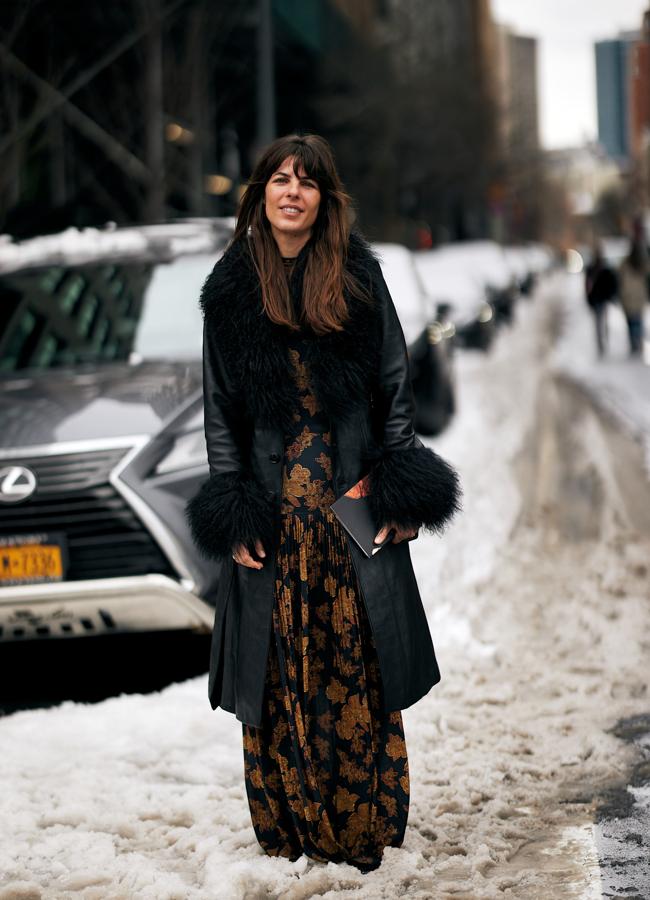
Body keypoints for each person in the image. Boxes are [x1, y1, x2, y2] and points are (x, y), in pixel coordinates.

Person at [185, 133, 462, 872]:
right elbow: (221, 414)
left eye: (307, 182)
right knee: (276, 677)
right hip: (273, 518)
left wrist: (401, 481)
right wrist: (234, 506)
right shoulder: (232, 287)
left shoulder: (360, 276)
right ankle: (291, 825)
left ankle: (361, 825)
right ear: (261, 193)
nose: (292, 192)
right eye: (279, 179)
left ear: (324, 197)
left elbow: (394, 390)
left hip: (352, 509)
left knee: (358, 670)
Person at [584, 240, 617, 357]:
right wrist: (589, 300)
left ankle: (604, 342)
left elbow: (611, 283)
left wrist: (611, 295)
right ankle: (601, 345)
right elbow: (587, 285)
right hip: (597, 300)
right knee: (599, 323)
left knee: (604, 323)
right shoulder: (591, 268)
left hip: (603, 299)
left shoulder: (605, 268)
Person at [618, 236, 648, 357]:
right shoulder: (641, 263)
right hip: (637, 297)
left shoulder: (627, 264)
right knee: (637, 322)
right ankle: (637, 343)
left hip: (629, 298)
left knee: (632, 323)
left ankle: (635, 344)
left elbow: (620, 280)